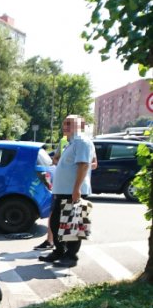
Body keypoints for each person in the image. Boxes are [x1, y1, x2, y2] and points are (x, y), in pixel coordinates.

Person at [40, 115, 93, 268]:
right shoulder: (70, 143)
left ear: (81, 125)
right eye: (64, 123)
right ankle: (59, 251)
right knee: (56, 223)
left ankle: (71, 256)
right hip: (63, 191)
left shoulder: (82, 142)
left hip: (73, 192)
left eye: (69, 123)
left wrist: (76, 189)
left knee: (73, 225)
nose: (65, 126)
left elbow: (83, 166)